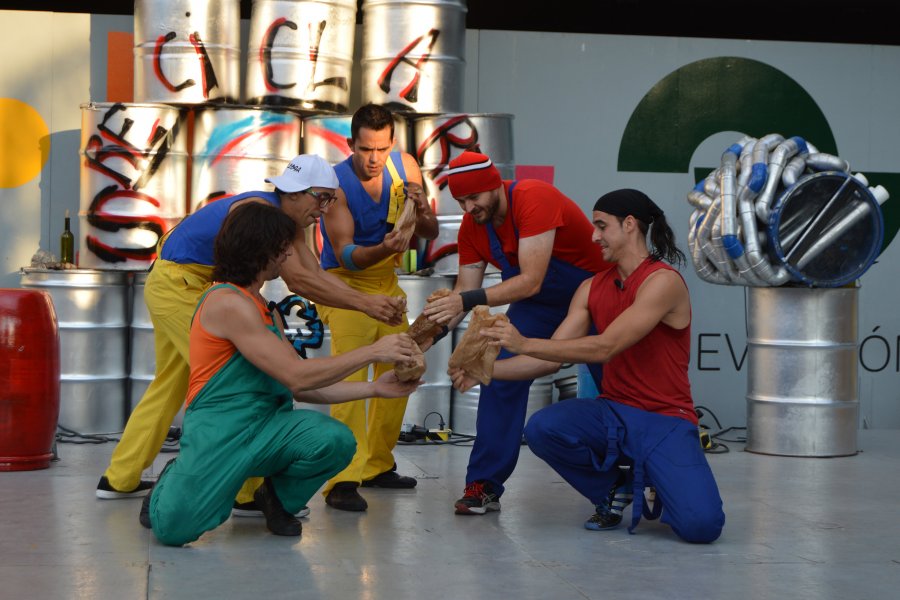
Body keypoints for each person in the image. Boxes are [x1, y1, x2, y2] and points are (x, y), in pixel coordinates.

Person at [97, 154, 406, 507]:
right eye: (321, 198)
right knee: (244, 380)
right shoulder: (261, 214)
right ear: (295, 192)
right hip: (181, 287)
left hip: (180, 284)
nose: (324, 210)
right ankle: (246, 495)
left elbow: (315, 274)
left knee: (171, 383)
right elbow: (300, 280)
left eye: (330, 200)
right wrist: (366, 304)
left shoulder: (285, 220)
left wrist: (370, 302)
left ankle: (119, 478)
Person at [140, 202, 421, 546]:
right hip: (221, 433)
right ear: (260, 250)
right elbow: (297, 376)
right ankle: (172, 481)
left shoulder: (265, 310)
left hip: (268, 427)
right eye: (282, 247)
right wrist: (374, 352)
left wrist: (375, 388)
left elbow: (302, 389)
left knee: (335, 440)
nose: (288, 254)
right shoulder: (227, 302)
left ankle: (275, 499)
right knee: (174, 529)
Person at [455, 188, 725, 543]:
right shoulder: (590, 288)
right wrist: (484, 373)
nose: (593, 236)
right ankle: (614, 487)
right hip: (614, 413)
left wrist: (523, 342)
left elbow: (606, 346)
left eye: (601, 226)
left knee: (701, 527)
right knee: (543, 428)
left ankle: (660, 476)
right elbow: (550, 360)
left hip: (665, 419)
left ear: (630, 225)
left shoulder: (663, 282)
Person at [422, 150, 610, 515]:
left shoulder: (533, 197)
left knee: (616, 381)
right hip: (539, 306)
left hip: (595, 297)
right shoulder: (472, 227)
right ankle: (484, 484)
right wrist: (428, 338)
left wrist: (464, 300)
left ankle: (643, 470)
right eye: (460, 201)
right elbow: (465, 290)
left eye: (474, 197)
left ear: (494, 184)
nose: (468, 208)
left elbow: (530, 280)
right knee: (497, 373)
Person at [316, 103, 438, 511]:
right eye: (366, 149)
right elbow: (346, 255)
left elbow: (430, 231)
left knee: (404, 366)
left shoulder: (406, 167)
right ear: (350, 143)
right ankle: (343, 479)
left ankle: (377, 465)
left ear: (392, 144)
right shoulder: (335, 185)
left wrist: (422, 209)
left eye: (382, 149)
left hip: (387, 283)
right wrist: (386, 247)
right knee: (350, 377)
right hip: (344, 284)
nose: (374, 158)